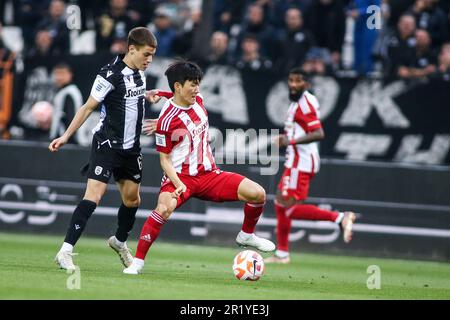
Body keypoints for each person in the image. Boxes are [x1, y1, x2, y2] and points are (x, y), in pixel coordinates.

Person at [123, 60, 275, 275]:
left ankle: (246, 235)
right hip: (181, 177)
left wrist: (160, 92)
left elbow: (174, 97)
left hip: (210, 175)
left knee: (258, 194)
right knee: (163, 209)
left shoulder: (199, 100)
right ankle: (137, 262)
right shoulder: (166, 122)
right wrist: (177, 184)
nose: (197, 89)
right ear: (178, 86)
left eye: (197, 84)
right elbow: (164, 160)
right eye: (192, 84)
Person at [49, 27, 157, 272]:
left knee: (132, 200)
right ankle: (65, 251)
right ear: (132, 49)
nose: (150, 60)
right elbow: (88, 107)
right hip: (107, 144)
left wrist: (146, 95)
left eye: (152, 55)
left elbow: (129, 97)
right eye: (146, 54)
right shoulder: (109, 74)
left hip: (131, 148)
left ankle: (119, 242)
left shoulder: (141, 74)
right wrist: (66, 136)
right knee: (93, 196)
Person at [265, 67, 356, 264]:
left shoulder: (305, 104)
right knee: (281, 204)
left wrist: (290, 142)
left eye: (298, 81)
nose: (293, 84)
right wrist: (288, 138)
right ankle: (282, 254)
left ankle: (340, 218)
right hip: (296, 161)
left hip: (301, 163)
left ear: (306, 84)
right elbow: (301, 131)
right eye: (291, 80)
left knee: (288, 208)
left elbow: (318, 133)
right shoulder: (298, 103)